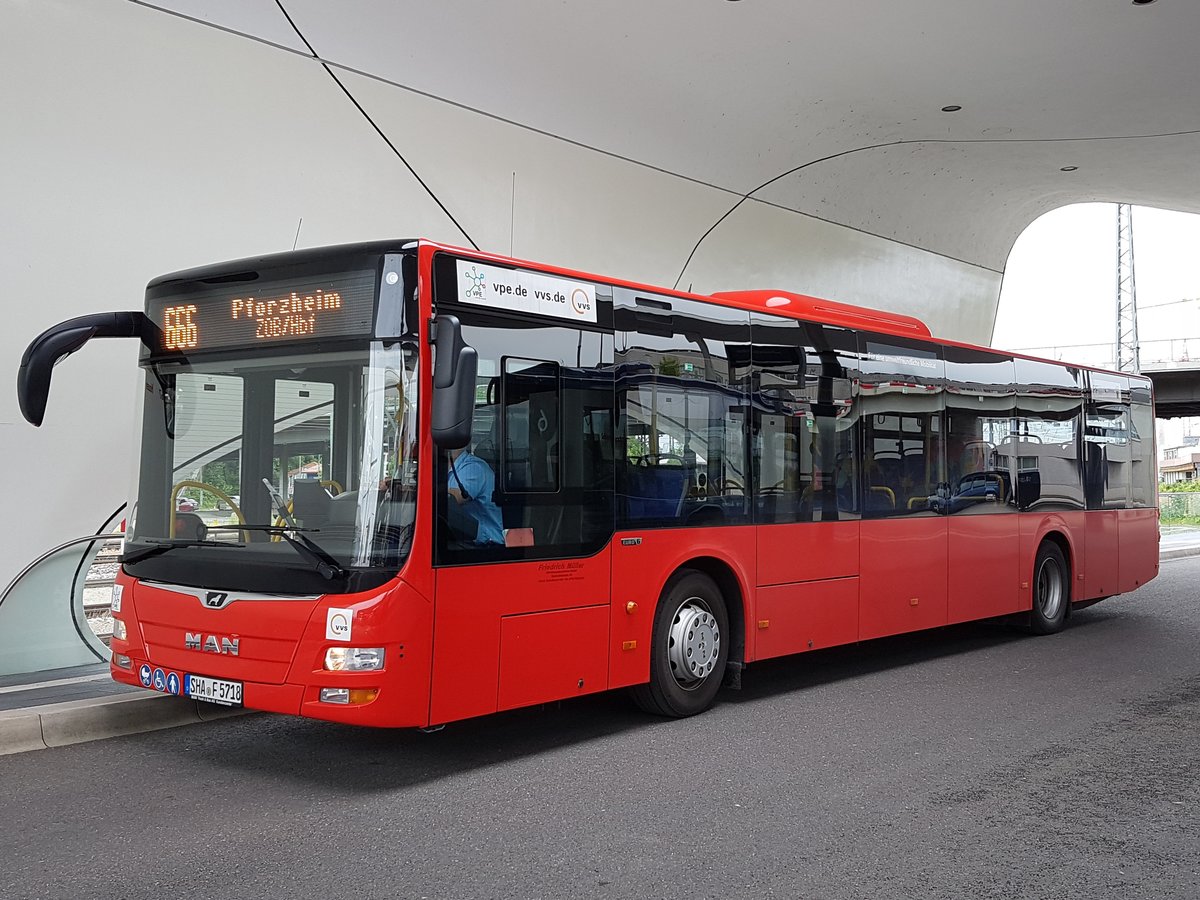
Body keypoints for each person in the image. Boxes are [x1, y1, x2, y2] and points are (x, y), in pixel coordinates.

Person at [446, 446, 505, 546]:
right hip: (461, 538)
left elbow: (454, 498)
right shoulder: (445, 468)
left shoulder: (473, 467)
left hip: (486, 546)